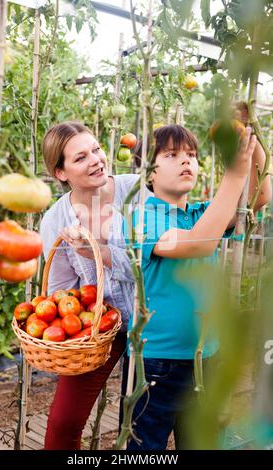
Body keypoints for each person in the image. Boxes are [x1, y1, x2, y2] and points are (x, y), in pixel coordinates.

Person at [122, 124, 272, 450]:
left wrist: (251, 138)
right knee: (145, 448)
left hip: (206, 358)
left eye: (191, 154)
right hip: (155, 366)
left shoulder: (201, 214)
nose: (186, 161)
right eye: (172, 155)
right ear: (148, 172)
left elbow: (261, 195)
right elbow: (197, 244)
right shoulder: (141, 217)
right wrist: (233, 177)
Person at [39, 121, 151, 450]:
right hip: (99, 327)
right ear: (60, 173)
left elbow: (159, 262)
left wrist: (99, 253)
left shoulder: (139, 191)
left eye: (97, 150)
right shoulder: (56, 221)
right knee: (64, 421)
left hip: (151, 319)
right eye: (81, 157)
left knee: (142, 420)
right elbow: (61, 291)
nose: (97, 160)